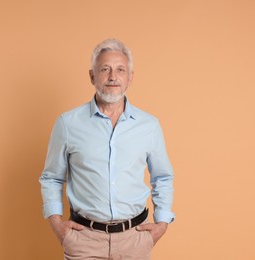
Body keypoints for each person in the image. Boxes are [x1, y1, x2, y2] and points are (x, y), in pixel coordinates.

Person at [39, 38, 175, 259]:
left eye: (120, 70)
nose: (113, 77)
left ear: (130, 77)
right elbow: (52, 177)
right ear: (92, 76)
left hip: (135, 240)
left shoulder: (149, 125)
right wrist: (57, 224)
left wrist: (162, 223)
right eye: (105, 69)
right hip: (84, 241)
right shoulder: (67, 123)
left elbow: (162, 177)